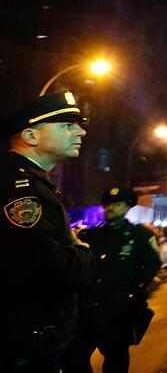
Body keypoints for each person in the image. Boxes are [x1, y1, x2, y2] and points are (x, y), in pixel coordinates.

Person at [0, 91, 94, 373]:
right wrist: (82, 254)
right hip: (26, 345)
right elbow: (44, 266)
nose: (80, 131)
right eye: (66, 125)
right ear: (31, 137)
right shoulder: (21, 189)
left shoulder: (31, 182)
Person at [63, 187, 161, 373]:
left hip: (118, 311)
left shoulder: (140, 236)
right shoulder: (91, 235)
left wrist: (133, 293)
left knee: (116, 360)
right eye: (108, 204)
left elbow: (151, 266)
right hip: (87, 310)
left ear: (127, 208)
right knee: (73, 357)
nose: (110, 208)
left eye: (117, 204)